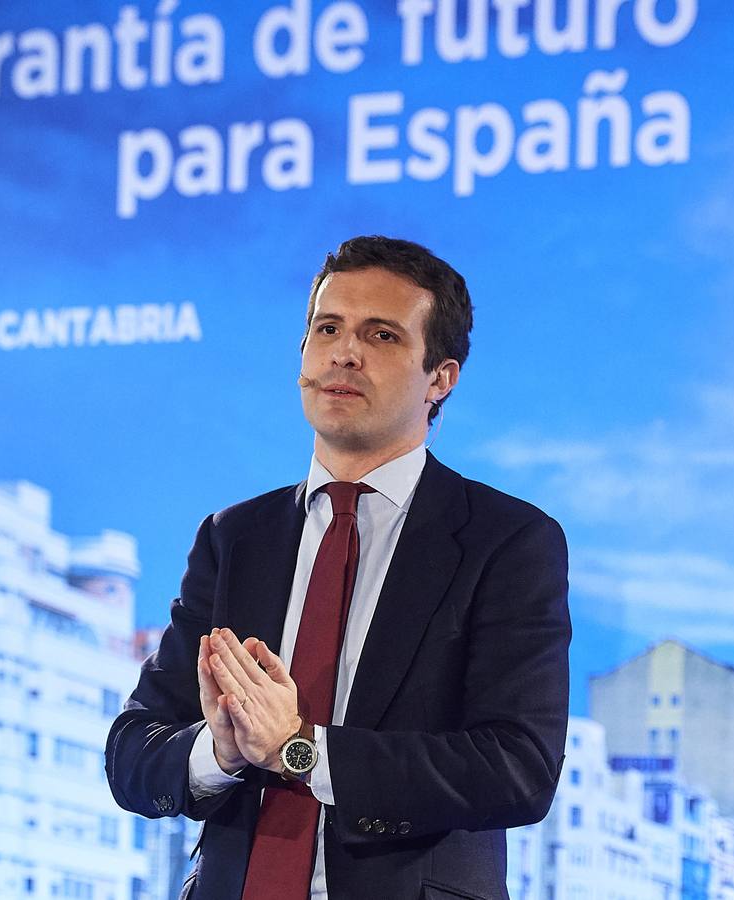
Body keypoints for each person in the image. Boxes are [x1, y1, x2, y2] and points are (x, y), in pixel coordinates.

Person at [105, 235, 570, 900]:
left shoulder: (507, 541)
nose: (344, 352)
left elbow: (517, 769)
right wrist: (224, 749)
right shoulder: (233, 537)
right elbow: (132, 755)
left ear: (440, 377)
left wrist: (299, 747)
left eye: (381, 335)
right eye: (328, 327)